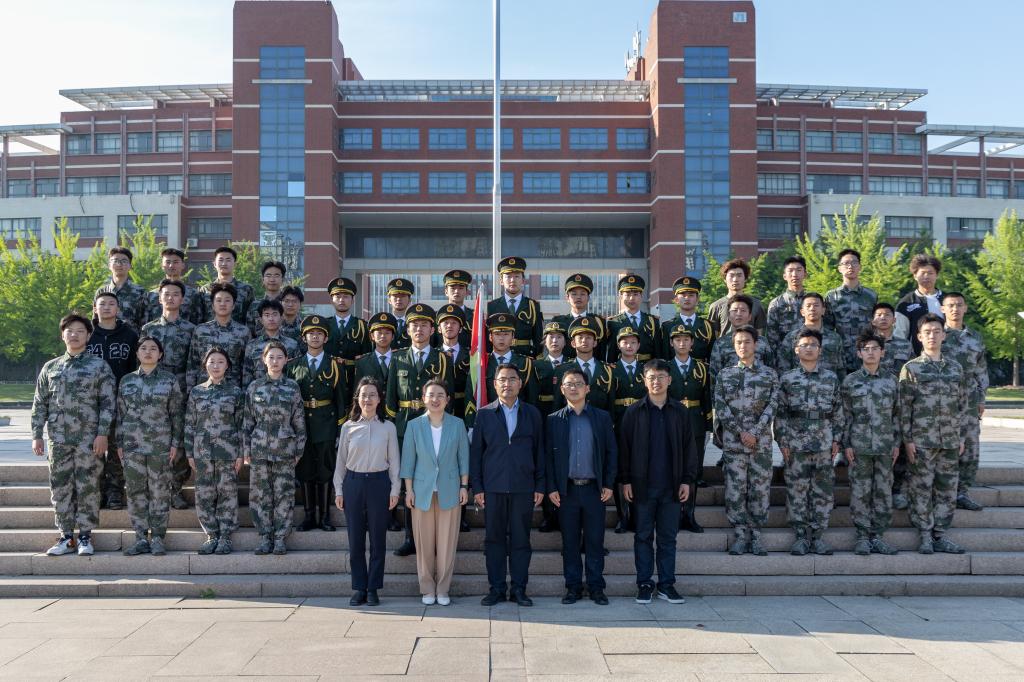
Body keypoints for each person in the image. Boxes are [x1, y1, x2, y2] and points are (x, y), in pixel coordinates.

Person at [32, 313, 116, 556]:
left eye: (80, 331)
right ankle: (66, 536)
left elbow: (108, 403)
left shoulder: (99, 366)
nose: (74, 335)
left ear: (88, 336)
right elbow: (40, 403)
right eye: (69, 331)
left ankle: (85, 536)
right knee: (60, 487)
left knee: (88, 486)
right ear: (62, 335)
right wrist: (37, 434)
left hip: (89, 440)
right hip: (58, 439)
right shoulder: (51, 368)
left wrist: (103, 434)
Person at [618, 359, 698, 605]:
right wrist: (625, 480)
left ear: (669, 380)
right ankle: (644, 583)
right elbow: (624, 449)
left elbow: (690, 448)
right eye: (652, 377)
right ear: (644, 380)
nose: (656, 381)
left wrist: (687, 481)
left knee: (667, 538)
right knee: (642, 536)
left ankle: (666, 584)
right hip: (642, 487)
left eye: (661, 377)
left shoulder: (680, 411)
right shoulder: (633, 412)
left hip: (671, 487)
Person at [470, 364, 545, 607]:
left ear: (520, 383)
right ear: (494, 384)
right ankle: (497, 589)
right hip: (493, 488)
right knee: (494, 540)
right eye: (502, 379)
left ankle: (519, 589)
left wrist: (540, 485)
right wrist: (477, 487)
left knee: (521, 540)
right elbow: (476, 454)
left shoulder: (532, 413)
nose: (507, 384)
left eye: (512, 379)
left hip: (524, 486)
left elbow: (540, 452)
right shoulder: (484, 414)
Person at [385, 303, 455, 556]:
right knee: (408, 482)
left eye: (424, 325)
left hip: (433, 426)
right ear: (407, 329)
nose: (419, 329)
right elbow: (390, 398)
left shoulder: (442, 358)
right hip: (405, 427)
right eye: (414, 325)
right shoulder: (398, 357)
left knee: (432, 481)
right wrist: (392, 428)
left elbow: (450, 397)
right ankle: (410, 538)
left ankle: (433, 538)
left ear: (432, 329)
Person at [545, 367, 617, 605]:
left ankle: (596, 587)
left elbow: (611, 452)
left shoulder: (601, 418)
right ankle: (573, 587)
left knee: (595, 541)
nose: (573, 388)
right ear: (562, 389)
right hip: (566, 491)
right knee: (570, 543)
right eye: (569, 384)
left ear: (587, 388)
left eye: (578, 383)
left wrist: (609, 483)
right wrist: (552, 487)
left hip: (594, 490)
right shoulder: (553, 420)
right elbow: (547, 457)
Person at [899, 313, 968, 555]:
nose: (932, 336)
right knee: (921, 488)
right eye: (927, 332)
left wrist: (961, 436)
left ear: (944, 335)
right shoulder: (911, 368)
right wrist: (907, 440)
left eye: (937, 331)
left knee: (947, 489)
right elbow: (904, 408)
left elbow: (963, 405)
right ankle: (925, 535)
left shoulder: (955, 368)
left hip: (950, 439)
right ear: (919, 337)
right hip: (922, 440)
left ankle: (940, 534)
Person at [774, 328, 844, 556]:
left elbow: (838, 410)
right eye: (804, 345)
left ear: (820, 350)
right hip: (796, 443)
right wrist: (783, 441)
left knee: (823, 491)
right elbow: (780, 413)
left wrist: (837, 438)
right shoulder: (787, 379)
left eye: (813, 345)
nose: (809, 348)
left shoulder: (831, 378)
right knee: (797, 490)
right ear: (796, 350)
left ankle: (818, 536)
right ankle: (801, 537)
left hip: (824, 442)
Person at [400, 380, 470, 606]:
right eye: (431, 395)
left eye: (440, 395)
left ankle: (443, 589)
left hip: (450, 491)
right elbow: (408, 461)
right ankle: (427, 588)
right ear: (424, 399)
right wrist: (408, 490)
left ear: (448, 399)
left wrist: (464, 486)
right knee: (424, 545)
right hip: (422, 492)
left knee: (447, 545)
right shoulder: (414, 425)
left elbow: (463, 458)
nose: (435, 399)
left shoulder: (457, 424)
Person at [713, 325, 779, 557]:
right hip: (734, 444)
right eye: (739, 342)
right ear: (734, 346)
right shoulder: (725, 375)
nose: (743, 346)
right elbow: (721, 407)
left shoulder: (769, 374)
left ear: (756, 344)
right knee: (735, 490)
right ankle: (741, 535)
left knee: (760, 489)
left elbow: (773, 405)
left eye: (747, 342)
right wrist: (741, 432)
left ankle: (757, 536)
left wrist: (756, 432)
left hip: (761, 444)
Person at [335, 377, 400, 607]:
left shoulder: (388, 427)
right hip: (353, 483)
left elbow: (395, 462)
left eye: (373, 394)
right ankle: (359, 588)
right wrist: (339, 489)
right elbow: (341, 462)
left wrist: (395, 490)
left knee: (378, 540)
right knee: (355, 541)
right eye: (364, 395)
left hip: (379, 483)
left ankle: (373, 588)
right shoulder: (348, 427)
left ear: (380, 398)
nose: (368, 399)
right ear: (358, 398)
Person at [117, 336, 184, 557]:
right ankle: (140, 538)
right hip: (132, 445)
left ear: (160, 354)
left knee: (160, 492)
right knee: (135, 492)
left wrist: (175, 443)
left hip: (160, 446)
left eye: (153, 349)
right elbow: (120, 415)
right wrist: (119, 443)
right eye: (143, 348)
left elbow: (176, 414)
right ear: (137, 353)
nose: (148, 352)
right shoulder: (127, 381)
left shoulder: (169, 380)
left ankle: (157, 538)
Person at [285, 315, 348, 533]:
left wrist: (339, 430)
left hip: (326, 424)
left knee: (325, 470)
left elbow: (341, 400)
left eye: (319, 333)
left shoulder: (335, 365)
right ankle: (309, 516)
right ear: (304, 338)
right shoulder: (293, 366)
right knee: (305, 470)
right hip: (302, 425)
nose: (315, 337)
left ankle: (325, 516)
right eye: (311, 333)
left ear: (326, 337)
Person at [243, 341, 306, 556]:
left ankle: (280, 538)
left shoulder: (292, 387)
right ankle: (264, 537)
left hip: (285, 450)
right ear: (264, 359)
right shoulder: (254, 387)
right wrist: (246, 449)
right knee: (260, 495)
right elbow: (247, 421)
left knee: (284, 495)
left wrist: (298, 450)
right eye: (271, 357)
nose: (275, 361)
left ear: (286, 360)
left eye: (280, 357)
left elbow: (299, 421)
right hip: (259, 449)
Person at [841, 332, 900, 556]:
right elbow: (845, 415)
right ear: (859, 354)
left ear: (882, 352)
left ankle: (878, 536)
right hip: (859, 446)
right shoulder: (850, 381)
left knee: (883, 491)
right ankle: (863, 537)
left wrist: (897, 442)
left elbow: (898, 414)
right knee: (860, 492)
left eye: (875, 348)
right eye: (866, 349)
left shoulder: (891, 381)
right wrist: (846, 443)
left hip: (885, 446)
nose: (871, 352)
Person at [183, 347, 244, 555]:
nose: (216, 365)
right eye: (212, 361)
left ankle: (225, 536)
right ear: (205, 365)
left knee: (227, 492)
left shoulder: (235, 392)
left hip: (228, 451)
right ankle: (211, 535)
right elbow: (190, 423)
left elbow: (241, 425)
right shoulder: (197, 392)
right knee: (204, 494)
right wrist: (189, 452)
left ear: (227, 366)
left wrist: (240, 453)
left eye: (220, 362)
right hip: (202, 451)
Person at [142, 279, 196, 510]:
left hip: (181, 388)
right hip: (154, 390)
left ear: (182, 299)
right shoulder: (149, 329)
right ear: (159, 298)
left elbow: (194, 362)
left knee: (179, 440)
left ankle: (176, 489)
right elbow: (143, 360)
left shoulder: (191, 329)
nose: (171, 298)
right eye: (166, 294)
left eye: (175, 294)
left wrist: (190, 391)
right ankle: (155, 489)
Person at [86, 291, 138, 511]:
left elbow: (136, 368)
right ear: (95, 308)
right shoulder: (87, 334)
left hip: (120, 399)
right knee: (94, 448)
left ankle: (115, 491)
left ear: (118, 308)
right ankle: (97, 490)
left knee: (117, 448)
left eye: (111, 304)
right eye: (102, 304)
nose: (106, 307)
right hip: (91, 402)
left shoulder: (130, 335)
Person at [941, 292, 988, 512]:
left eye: (959, 305)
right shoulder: (936, 333)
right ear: (943, 309)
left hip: (969, 399)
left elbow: (981, 370)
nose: (955, 309)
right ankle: (942, 492)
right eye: (950, 305)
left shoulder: (975, 337)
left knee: (970, 448)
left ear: (965, 308)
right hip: (942, 398)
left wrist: (981, 397)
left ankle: (962, 492)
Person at [665, 326, 711, 533]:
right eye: (678, 340)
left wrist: (708, 426)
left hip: (695, 422)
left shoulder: (702, 368)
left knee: (692, 470)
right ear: (671, 343)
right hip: (671, 421)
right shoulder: (665, 368)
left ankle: (689, 515)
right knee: (672, 469)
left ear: (692, 343)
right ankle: (674, 514)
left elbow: (707, 398)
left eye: (686, 339)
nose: (682, 343)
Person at [871, 302, 916, 511]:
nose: (883, 318)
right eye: (879, 315)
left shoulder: (904, 345)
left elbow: (912, 372)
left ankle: (897, 490)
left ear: (894, 320)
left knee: (900, 446)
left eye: (887, 315)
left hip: (900, 403)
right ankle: (875, 492)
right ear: (872, 320)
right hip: (874, 404)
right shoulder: (867, 345)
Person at [610, 326, 647, 534]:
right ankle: (623, 516)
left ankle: (639, 516)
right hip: (618, 424)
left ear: (639, 345)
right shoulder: (611, 369)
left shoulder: (646, 369)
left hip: (641, 423)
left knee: (640, 469)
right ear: (618, 345)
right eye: (625, 342)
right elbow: (608, 399)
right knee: (620, 471)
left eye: (633, 342)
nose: (629, 346)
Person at [187, 282, 251, 392]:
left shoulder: (243, 332)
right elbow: (192, 364)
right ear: (212, 305)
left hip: (232, 391)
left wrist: (244, 392)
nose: (223, 304)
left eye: (227, 300)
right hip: (204, 391)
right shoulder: (201, 330)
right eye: (218, 300)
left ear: (233, 305)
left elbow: (246, 367)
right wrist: (190, 390)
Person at [825, 248, 878, 374]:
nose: (850, 266)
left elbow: (876, 326)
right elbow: (827, 328)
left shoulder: (871, 295)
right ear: (839, 268)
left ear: (860, 267)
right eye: (846, 263)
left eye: (854, 262)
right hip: (841, 354)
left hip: (866, 353)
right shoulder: (832, 297)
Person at [551, 317, 615, 413]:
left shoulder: (607, 370)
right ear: (573, 343)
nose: (584, 340)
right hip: (571, 418)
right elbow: (557, 403)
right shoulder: (562, 370)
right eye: (580, 337)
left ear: (595, 343)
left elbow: (611, 405)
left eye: (588, 337)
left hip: (599, 419)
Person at [776, 293, 845, 381]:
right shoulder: (791, 338)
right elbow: (783, 368)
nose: (812, 309)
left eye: (816, 305)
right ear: (802, 312)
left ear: (823, 310)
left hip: (827, 385)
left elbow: (841, 369)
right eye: (808, 306)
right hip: (798, 386)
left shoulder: (835, 338)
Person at [487, 256, 544, 358]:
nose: (512, 280)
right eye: (508, 276)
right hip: (500, 357)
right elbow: (488, 338)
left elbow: (538, 338)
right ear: (501, 281)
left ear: (523, 280)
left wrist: (537, 360)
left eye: (517, 276)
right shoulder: (492, 306)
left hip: (525, 357)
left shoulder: (533, 305)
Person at [708, 294, 773, 380]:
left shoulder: (762, 341)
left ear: (750, 316)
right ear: (729, 316)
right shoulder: (720, 343)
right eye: (735, 310)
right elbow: (714, 375)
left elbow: (771, 369)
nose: (739, 314)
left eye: (743, 310)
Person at [324, 277, 371, 388]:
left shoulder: (363, 326)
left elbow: (367, 355)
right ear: (331, 300)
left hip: (354, 378)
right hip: (328, 378)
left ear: (352, 300)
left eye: (346, 296)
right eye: (338, 296)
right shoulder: (324, 325)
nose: (341, 300)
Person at [241, 299, 300, 387]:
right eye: (267, 315)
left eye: (275, 314)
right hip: (258, 392)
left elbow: (297, 374)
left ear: (281, 318)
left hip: (285, 392)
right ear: (261, 320)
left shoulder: (292, 344)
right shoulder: (252, 345)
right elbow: (247, 375)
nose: (271, 319)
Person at [606, 274, 661, 365]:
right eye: (627, 295)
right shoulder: (613, 322)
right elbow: (612, 351)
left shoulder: (652, 321)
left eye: (635, 294)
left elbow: (658, 350)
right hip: (622, 367)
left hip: (647, 367)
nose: (631, 298)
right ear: (621, 296)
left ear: (641, 296)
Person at [551, 274, 608, 361]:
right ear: (567, 298)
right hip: (565, 367)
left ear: (588, 298)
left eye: (582, 294)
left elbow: (602, 349)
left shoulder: (598, 321)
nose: (578, 297)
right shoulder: (558, 321)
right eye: (574, 294)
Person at [144, 247, 205, 326]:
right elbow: (146, 321)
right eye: (168, 262)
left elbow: (199, 322)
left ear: (183, 265)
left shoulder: (194, 294)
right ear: (162, 265)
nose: (171, 265)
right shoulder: (152, 295)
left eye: (175, 262)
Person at [706, 259, 767, 338]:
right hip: (724, 345)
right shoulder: (716, 306)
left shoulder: (756, 304)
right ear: (725, 279)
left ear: (745, 279)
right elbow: (713, 337)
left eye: (739, 275)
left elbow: (759, 336)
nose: (735, 279)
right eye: (731, 276)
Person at [895, 254, 945, 349]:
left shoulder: (947, 300)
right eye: (922, 273)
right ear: (915, 276)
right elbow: (899, 335)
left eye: (930, 273)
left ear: (937, 275)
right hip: (916, 355)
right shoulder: (905, 303)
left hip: (947, 354)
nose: (926, 276)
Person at [660, 276, 714, 362]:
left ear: (697, 299)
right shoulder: (667, 326)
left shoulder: (707, 326)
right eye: (683, 295)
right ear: (676, 300)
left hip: (701, 369)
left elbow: (712, 355)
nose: (687, 298)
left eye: (691, 295)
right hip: (675, 369)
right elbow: (665, 355)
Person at [96, 246, 147, 334]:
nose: (119, 264)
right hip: (106, 339)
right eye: (115, 261)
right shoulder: (101, 292)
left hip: (132, 340)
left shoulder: (140, 292)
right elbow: (95, 320)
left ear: (130, 266)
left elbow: (146, 323)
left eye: (124, 261)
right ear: (109, 265)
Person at [199, 245, 255, 325]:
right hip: (210, 332)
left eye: (228, 260)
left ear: (235, 264)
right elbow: (199, 317)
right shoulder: (205, 290)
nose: (224, 263)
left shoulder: (246, 289)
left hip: (238, 332)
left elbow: (251, 317)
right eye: (220, 260)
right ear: (214, 264)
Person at [765, 256, 807, 350]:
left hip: (810, 352)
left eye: (799, 270)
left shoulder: (813, 301)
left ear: (805, 274)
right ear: (784, 276)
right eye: (790, 270)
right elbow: (771, 337)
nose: (794, 274)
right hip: (785, 354)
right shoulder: (776, 303)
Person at [432, 269, 474, 348]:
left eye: (461, 288)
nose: (456, 291)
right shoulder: (435, 316)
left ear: (467, 292)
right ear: (446, 291)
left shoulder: (475, 316)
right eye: (453, 288)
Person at [354, 313, 396, 389]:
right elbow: (358, 391)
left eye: (387, 333)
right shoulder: (362, 362)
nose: (383, 336)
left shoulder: (400, 359)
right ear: (372, 336)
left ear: (393, 336)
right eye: (379, 333)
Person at [246, 260, 287, 336]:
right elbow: (249, 331)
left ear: (283, 279)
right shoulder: (254, 305)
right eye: (268, 276)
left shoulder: (288, 304)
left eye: (276, 276)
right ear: (263, 280)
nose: (272, 279)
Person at [386, 277, 414, 350]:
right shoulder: (383, 322)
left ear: (410, 300)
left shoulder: (414, 324)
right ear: (389, 300)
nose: (399, 299)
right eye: (395, 296)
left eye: (403, 296)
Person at [279, 285, 305, 349]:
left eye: (294, 301)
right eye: (286, 301)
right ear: (280, 302)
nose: (290, 305)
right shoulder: (273, 324)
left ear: (300, 304)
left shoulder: (305, 326)